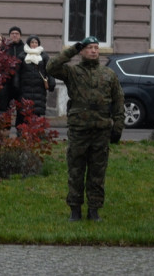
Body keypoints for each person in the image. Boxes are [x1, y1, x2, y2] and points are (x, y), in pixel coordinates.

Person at [49, 36, 124, 222]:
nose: (93, 51)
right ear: (82, 51)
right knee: (76, 171)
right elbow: (51, 67)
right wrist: (72, 49)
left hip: (101, 130)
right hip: (79, 130)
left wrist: (118, 126)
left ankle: (94, 209)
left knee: (97, 173)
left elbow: (118, 100)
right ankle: (75, 209)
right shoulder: (73, 72)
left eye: (96, 48)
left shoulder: (108, 74)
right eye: (89, 47)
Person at [19, 36, 55, 121]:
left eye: (36, 43)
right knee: (25, 113)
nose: (34, 44)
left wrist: (51, 82)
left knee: (37, 111)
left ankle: (37, 132)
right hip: (25, 88)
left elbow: (49, 70)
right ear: (29, 43)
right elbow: (18, 72)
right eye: (32, 42)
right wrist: (16, 84)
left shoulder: (44, 56)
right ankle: (24, 133)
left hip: (39, 88)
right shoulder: (22, 55)